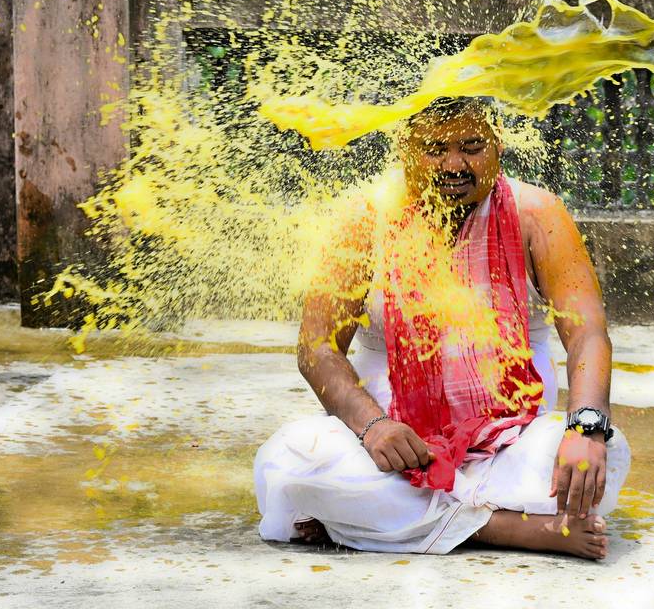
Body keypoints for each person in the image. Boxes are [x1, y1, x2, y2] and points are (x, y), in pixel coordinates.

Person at [253, 96, 631, 560]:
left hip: (512, 440)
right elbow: (318, 349)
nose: (455, 165)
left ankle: (377, 524)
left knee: (603, 461)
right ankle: (502, 527)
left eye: (472, 146)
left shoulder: (537, 213)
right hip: (392, 449)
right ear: (404, 148)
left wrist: (586, 430)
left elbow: (588, 333)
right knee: (298, 463)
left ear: (499, 146)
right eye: (434, 148)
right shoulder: (363, 216)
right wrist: (373, 428)